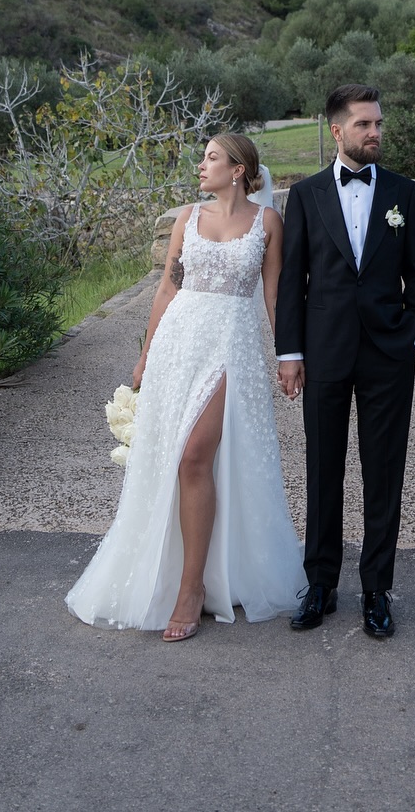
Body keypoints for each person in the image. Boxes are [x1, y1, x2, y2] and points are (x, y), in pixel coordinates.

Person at [66, 134, 306, 640]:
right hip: (179, 344)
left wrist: (289, 356)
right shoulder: (188, 219)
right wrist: (146, 357)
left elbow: (274, 293)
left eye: (212, 158)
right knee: (171, 457)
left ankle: (192, 588)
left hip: (230, 349)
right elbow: (168, 287)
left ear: (239, 169)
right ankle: (177, 573)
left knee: (194, 456)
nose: (202, 166)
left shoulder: (267, 223)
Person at [276, 84, 415, 640]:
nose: (375, 133)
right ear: (337, 131)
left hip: (389, 353)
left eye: (379, 123)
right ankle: (320, 584)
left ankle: (375, 590)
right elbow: (291, 281)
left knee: (383, 472)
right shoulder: (307, 195)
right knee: (323, 470)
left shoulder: (402, 193)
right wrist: (290, 353)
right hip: (323, 351)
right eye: (364, 124)